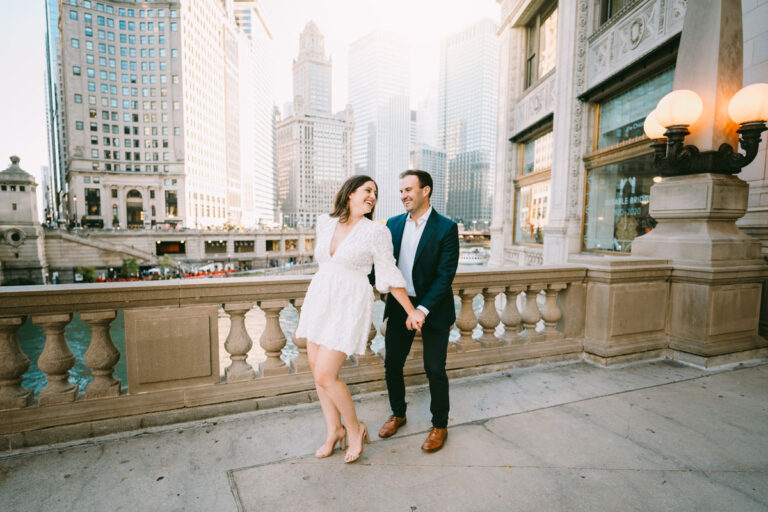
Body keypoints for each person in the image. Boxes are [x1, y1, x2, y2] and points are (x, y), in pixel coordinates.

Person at [294, 175, 418, 463]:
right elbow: (325, 262)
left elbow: (388, 273)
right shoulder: (325, 222)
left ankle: (355, 428)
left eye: (376, 192)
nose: (373, 195)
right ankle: (333, 430)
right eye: (367, 190)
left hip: (349, 301)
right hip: (321, 296)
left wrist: (411, 310)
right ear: (350, 193)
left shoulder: (376, 231)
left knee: (326, 373)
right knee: (316, 371)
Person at [378, 169, 460, 452]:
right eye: (401, 191)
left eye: (408, 190)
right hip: (401, 306)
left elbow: (445, 275)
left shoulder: (447, 227)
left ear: (425, 191)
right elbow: (384, 265)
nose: (403, 196)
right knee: (392, 365)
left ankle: (440, 425)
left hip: (433, 308)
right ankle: (398, 413)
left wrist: (422, 310)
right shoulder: (392, 224)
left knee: (434, 368)